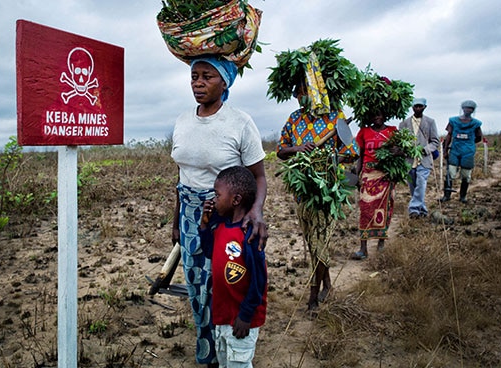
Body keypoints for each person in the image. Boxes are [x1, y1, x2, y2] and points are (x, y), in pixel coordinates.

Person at [170, 55, 268, 367]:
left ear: (224, 82)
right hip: (191, 219)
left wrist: (257, 212)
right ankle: (208, 353)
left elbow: (259, 176)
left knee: (226, 283)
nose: (197, 83)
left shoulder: (239, 122)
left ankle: (232, 348)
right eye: (194, 76)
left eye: (207, 77)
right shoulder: (183, 121)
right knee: (198, 289)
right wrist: (177, 221)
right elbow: (182, 177)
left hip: (226, 217)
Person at [277, 82, 358, 310]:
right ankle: (327, 283)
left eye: (302, 93)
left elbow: (351, 152)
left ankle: (313, 295)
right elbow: (281, 151)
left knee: (320, 240)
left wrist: (328, 162)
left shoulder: (335, 116)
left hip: (327, 191)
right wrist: (297, 150)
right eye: (297, 94)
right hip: (303, 192)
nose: (299, 98)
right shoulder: (294, 119)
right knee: (313, 242)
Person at [199, 166, 267, 368]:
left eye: (217, 194)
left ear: (235, 200)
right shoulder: (220, 226)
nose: (214, 199)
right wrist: (203, 226)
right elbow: (210, 252)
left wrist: (246, 315)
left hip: (241, 320)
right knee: (225, 362)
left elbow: (259, 280)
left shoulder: (249, 235)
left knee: (238, 362)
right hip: (223, 315)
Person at [351, 111, 400, 260]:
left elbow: (403, 152)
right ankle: (363, 248)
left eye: (380, 114)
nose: (377, 117)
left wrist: (398, 152)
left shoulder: (392, 131)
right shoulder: (364, 132)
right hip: (368, 175)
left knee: (384, 210)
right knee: (365, 210)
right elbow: (360, 155)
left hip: (385, 175)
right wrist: (356, 176)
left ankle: (380, 245)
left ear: (385, 115)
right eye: (374, 115)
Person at [399, 98, 439, 218]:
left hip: (424, 160)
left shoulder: (430, 122)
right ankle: (422, 210)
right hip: (409, 161)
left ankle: (414, 209)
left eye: (420, 106)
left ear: (424, 107)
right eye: (416, 106)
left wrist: (425, 149)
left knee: (421, 184)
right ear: (412, 107)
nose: (418, 108)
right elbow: (401, 141)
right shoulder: (404, 123)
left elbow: (435, 141)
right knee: (413, 187)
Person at [439, 100, 483, 203]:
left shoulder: (476, 123)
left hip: (468, 152)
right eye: (466, 108)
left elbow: (479, 137)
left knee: (466, 175)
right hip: (455, 150)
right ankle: (447, 195)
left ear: (473, 110)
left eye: (470, 108)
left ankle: (463, 196)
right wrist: (445, 150)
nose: (468, 110)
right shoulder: (453, 121)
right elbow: (449, 135)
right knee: (450, 173)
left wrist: (470, 143)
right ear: (462, 109)